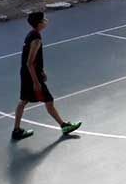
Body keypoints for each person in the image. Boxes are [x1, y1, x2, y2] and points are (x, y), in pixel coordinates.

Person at [11, 12, 82, 140]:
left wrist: (41, 71)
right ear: (39, 24)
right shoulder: (36, 39)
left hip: (27, 73)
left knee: (23, 101)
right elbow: (30, 62)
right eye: (44, 20)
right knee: (48, 100)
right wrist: (36, 82)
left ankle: (16, 130)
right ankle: (64, 126)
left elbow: (32, 60)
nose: (46, 20)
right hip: (31, 75)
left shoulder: (32, 34)